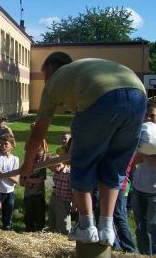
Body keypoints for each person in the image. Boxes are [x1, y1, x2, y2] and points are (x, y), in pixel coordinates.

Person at [20, 52, 147, 245]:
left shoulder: (56, 81)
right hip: (138, 94)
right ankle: (106, 229)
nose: (44, 80)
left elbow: (38, 132)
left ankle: (86, 226)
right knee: (115, 166)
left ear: (52, 69)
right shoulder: (83, 70)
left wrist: (28, 164)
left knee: (82, 163)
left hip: (101, 95)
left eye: (44, 74)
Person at [130, 102, 156, 255]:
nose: (148, 118)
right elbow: (135, 160)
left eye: (152, 115)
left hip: (154, 192)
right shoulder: (145, 135)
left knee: (152, 228)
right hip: (139, 187)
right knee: (140, 227)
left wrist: (140, 150)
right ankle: (143, 254)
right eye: (145, 115)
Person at [0, 134, 20, 230]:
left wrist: (1, 173)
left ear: (12, 146)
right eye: (2, 144)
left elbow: (16, 180)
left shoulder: (15, 160)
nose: (3, 146)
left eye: (6, 144)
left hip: (9, 193)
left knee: (7, 220)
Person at [21, 123, 48, 232]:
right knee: (28, 217)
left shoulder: (43, 142)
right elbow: (21, 182)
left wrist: (28, 181)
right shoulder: (29, 142)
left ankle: (38, 232)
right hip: (28, 195)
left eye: (39, 157)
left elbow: (40, 180)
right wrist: (30, 181)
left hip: (38, 195)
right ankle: (29, 230)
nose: (38, 158)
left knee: (39, 217)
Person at [48, 155, 73, 235]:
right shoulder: (56, 172)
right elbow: (55, 185)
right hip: (55, 198)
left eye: (51, 168)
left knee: (65, 225)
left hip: (65, 202)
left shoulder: (69, 174)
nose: (50, 170)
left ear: (57, 165)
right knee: (52, 221)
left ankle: (67, 237)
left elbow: (74, 191)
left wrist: (74, 204)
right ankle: (53, 235)